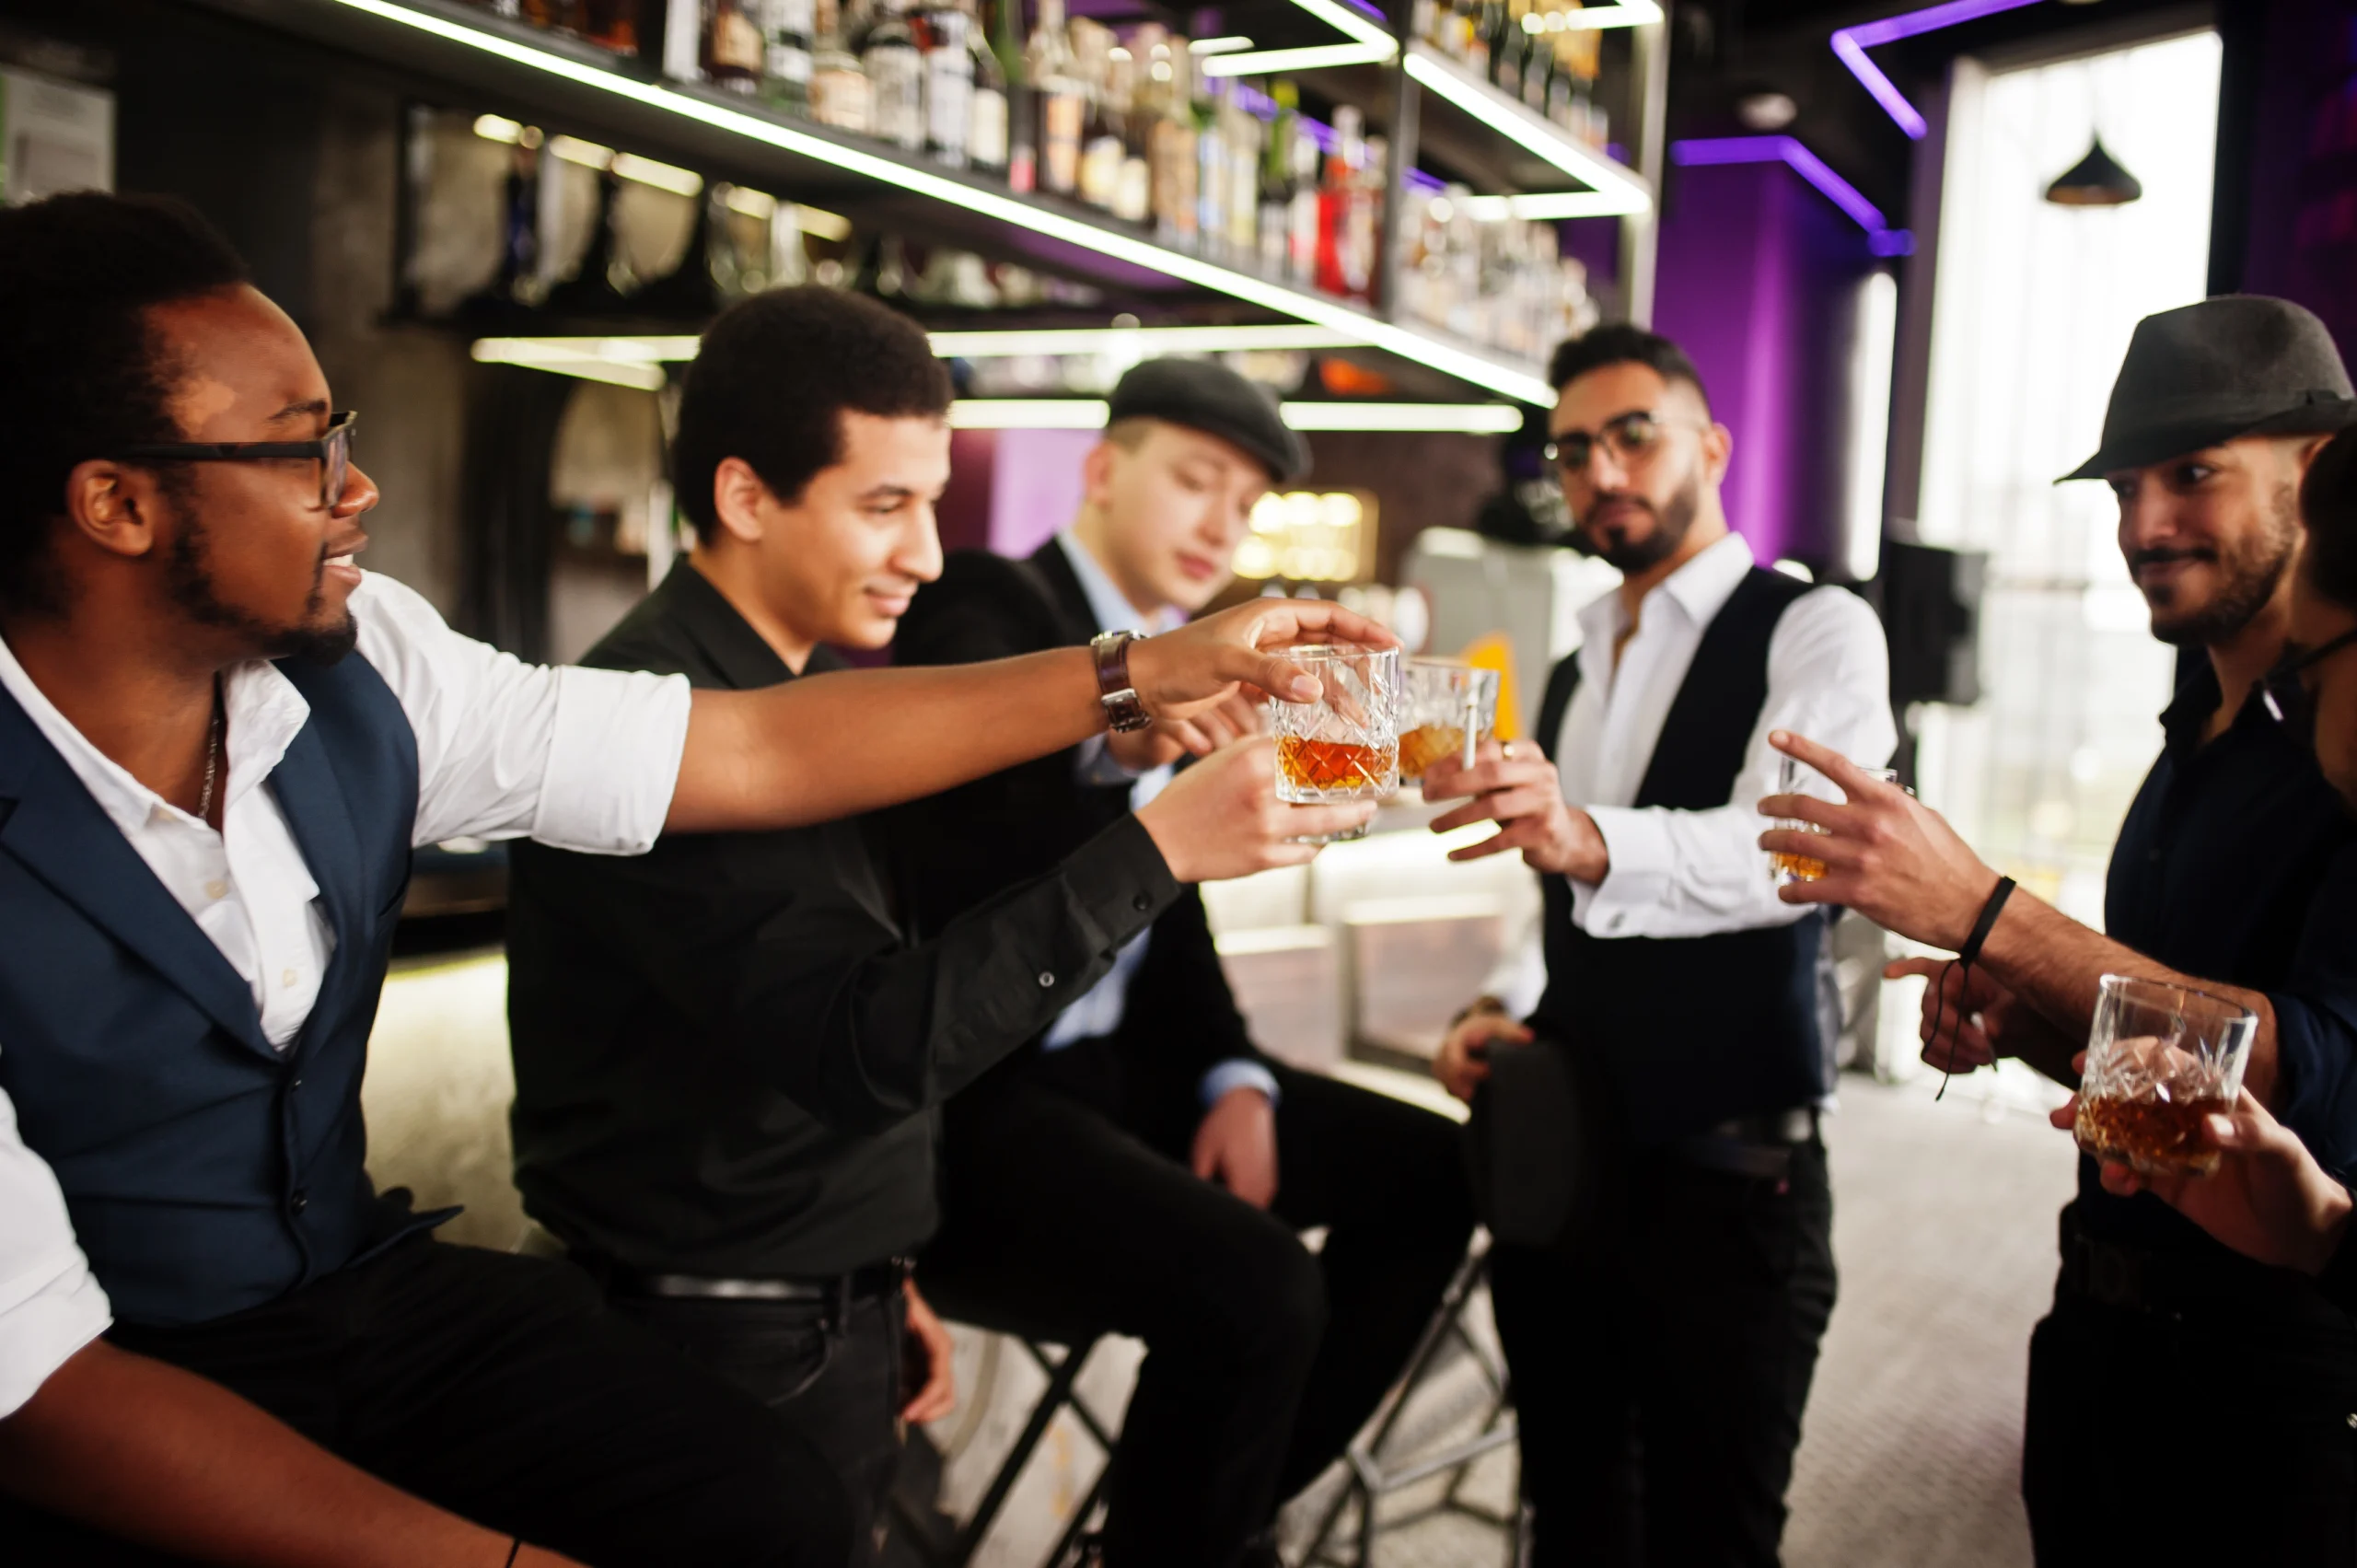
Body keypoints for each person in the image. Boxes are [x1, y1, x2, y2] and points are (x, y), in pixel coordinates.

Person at [0, 192, 1388, 1567]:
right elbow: (38, 1394)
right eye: (305, 452)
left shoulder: (372, 667)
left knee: (766, 1506)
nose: (356, 487)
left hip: (370, 1300)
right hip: (123, 1365)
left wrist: (1135, 671)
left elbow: (748, 747)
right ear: (116, 500)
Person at [500, 292, 1365, 1561]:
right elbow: (872, 1046)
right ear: (746, 498)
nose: (926, 552)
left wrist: (880, 1264)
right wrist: (1165, 840)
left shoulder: (797, 696)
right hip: (719, 1339)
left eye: (933, 502)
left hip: (816, 1300)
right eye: (884, 505)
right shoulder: (655, 722)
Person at [1760, 297, 2357, 1565]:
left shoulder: (2350, 749)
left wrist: (1993, 913)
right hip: (2095, 1334)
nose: (2145, 526)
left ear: (2315, 471)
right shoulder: (2185, 728)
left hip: (2280, 1380)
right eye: (2125, 489)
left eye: (2193, 475)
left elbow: (2320, 1081)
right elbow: (2171, 1058)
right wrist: (2033, 1020)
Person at [888, 357, 1477, 1568]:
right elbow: (990, 832)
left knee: (1434, 1173)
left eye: (1245, 500)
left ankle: (1210, 1514)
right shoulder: (988, 601)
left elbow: (1174, 920)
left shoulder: (1195, 658)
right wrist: (1129, 731)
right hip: (974, 1105)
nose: (1223, 522)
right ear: (1103, 470)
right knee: (1260, 1289)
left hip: (1125, 1076)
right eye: (1196, 480)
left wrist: (1236, 1078)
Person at [1422, 323, 1896, 1567]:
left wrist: (1582, 836)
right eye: (1574, 450)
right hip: (1570, 1156)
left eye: (1634, 434)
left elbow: (1787, 855)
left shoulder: (1816, 630)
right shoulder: (1580, 661)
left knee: (1711, 1536)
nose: (1603, 470)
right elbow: (1570, 897)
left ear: (1712, 445)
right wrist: (1502, 1000)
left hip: (1734, 1179)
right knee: (1574, 1517)